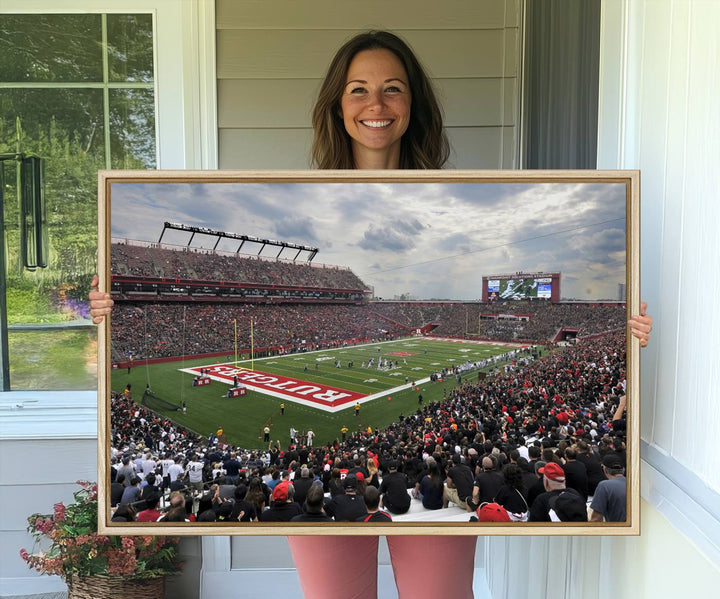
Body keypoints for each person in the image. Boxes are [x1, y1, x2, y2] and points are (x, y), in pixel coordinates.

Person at [89, 29, 653, 599]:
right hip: (333, 491)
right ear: (337, 104)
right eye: (358, 89)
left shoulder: (454, 190)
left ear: (414, 105)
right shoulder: (302, 192)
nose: (375, 104)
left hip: (414, 485)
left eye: (393, 89)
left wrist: (629, 339)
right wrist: (107, 311)